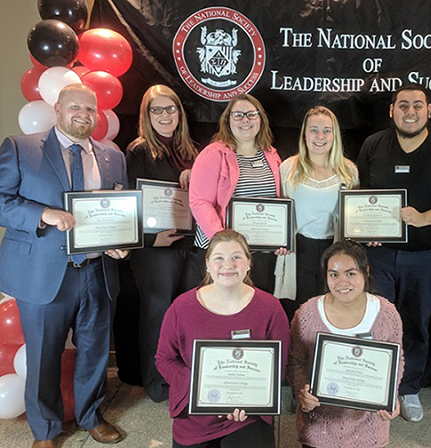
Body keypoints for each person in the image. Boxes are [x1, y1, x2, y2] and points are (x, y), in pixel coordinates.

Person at [0, 84, 128, 448]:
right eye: (75, 107)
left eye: (90, 109)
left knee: (95, 350)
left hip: (97, 270)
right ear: (57, 109)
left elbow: (117, 210)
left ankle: (91, 415)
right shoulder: (21, 147)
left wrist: (120, 242)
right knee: (42, 354)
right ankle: (46, 429)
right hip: (44, 271)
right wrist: (41, 213)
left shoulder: (112, 155)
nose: (83, 115)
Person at [356, 83, 431, 422]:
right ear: (391, 110)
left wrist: (423, 219)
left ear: (429, 110)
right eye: (403, 105)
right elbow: (361, 195)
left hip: (428, 257)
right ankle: (378, 389)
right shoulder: (373, 145)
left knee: (416, 325)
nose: (410, 111)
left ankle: (408, 390)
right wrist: (367, 229)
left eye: (417, 105)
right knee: (375, 324)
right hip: (378, 256)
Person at [155, 229, 290, 448]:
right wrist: (197, 384)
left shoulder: (270, 308)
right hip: (194, 412)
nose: (228, 264)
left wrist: (250, 399)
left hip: (247, 415)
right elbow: (164, 359)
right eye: (219, 258)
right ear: (207, 263)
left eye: (236, 257)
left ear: (248, 263)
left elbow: (279, 365)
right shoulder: (182, 307)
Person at [123, 84, 203, 402]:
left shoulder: (193, 151)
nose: (165, 115)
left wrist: (195, 175)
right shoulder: (139, 150)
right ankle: (158, 383)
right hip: (155, 249)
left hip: (191, 245)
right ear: (146, 115)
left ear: (180, 114)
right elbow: (131, 202)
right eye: (157, 109)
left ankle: (184, 376)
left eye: (171, 109)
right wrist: (151, 239)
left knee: (189, 314)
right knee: (158, 312)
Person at [288, 240, 404, 448]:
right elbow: (295, 361)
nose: (342, 282)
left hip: (369, 428)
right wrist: (302, 393)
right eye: (334, 274)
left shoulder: (386, 313)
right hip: (319, 427)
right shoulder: (307, 313)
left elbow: (396, 360)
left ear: (365, 272)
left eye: (350, 273)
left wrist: (390, 396)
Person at [189, 94, 285, 294]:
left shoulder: (272, 155)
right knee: (222, 307)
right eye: (238, 115)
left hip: (261, 251)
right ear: (227, 120)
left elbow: (279, 202)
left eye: (251, 114)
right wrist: (223, 241)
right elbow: (200, 202)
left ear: (261, 119)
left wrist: (282, 239)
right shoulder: (213, 153)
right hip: (223, 254)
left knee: (258, 304)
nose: (245, 120)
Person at [278, 106, 359, 311]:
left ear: (335, 135)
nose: (320, 136)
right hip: (298, 251)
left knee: (331, 308)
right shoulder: (288, 168)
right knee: (300, 310)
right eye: (313, 130)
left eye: (326, 130)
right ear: (304, 134)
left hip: (334, 249)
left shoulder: (348, 171)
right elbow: (277, 213)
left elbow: (356, 216)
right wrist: (278, 239)